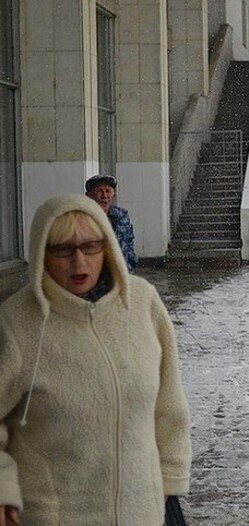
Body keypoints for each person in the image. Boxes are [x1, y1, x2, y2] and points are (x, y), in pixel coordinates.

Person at [0, 195, 191, 524]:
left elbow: (169, 402)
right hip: (53, 516)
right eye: (62, 249)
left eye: (90, 247)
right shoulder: (16, 323)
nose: (79, 263)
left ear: (108, 246)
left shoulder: (143, 303)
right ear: (41, 252)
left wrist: (170, 478)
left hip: (145, 511)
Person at [85, 173, 138, 272]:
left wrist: (128, 268)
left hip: (121, 274)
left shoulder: (122, 216)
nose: (104, 195)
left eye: (108, 191)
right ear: (89, 196)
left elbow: (129, 246)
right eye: (100, 191)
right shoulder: (82, 218)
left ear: (113, 196)